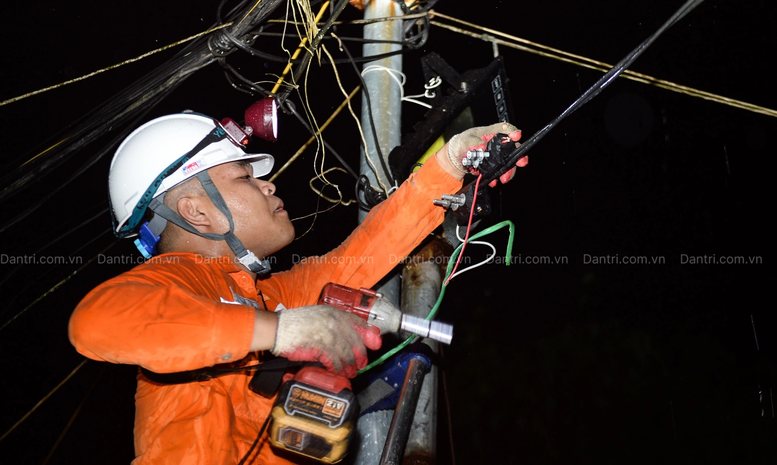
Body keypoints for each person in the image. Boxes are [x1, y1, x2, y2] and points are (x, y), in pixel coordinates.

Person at [68, 111, 527, 464]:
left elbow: (367, 250)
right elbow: (96, 322)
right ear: (195, 211)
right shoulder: (175, 282)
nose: (267, 186)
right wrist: (277, 330)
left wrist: (450, 164)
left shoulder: (269, 294)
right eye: (244, 178)